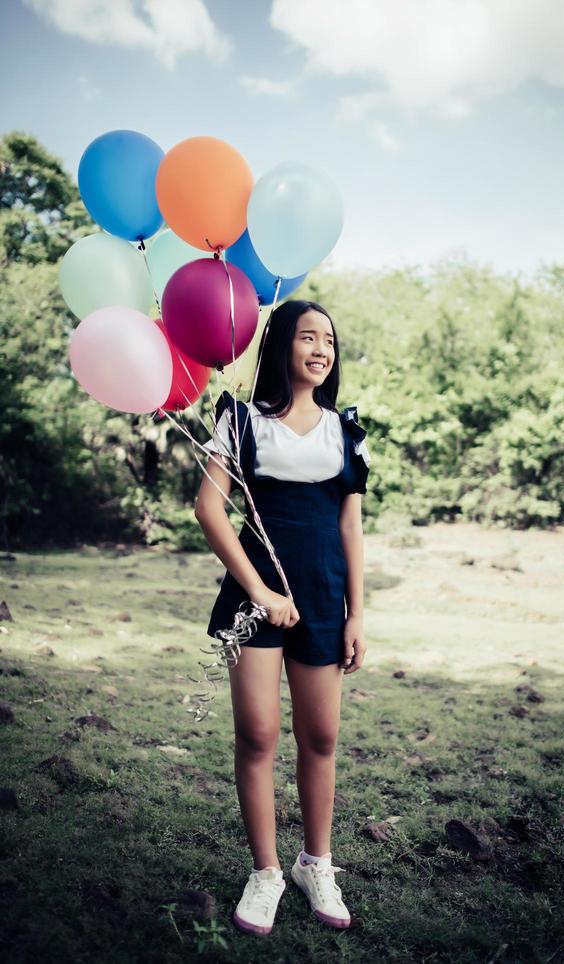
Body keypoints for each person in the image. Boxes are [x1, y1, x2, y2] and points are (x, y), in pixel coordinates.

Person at [194, 299, 371, 936]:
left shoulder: (347, 430)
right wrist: (260, 591)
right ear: (280, 347)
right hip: (254, 600)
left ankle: (314, 864)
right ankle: (266, 872)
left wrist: (357, 612)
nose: (320, 348)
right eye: (307, 336)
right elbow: (209, 510)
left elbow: (351, 527)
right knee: (259, 735)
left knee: (321, 737)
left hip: (324, 596)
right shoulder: (240, 420)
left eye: (329, 338)